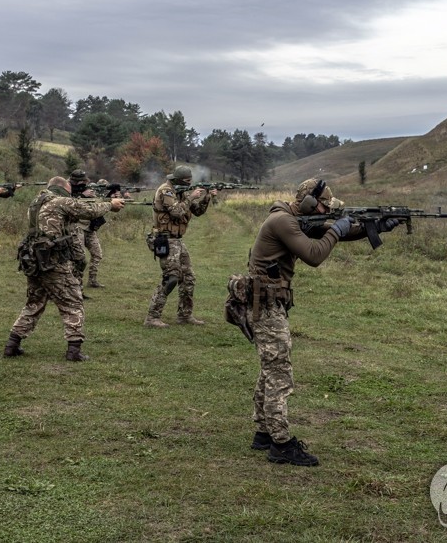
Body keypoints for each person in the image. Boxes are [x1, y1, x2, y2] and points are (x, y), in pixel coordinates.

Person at [245, 178, 399, 467]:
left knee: (271, 367)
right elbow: (315, 254)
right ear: (306, 202)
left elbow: (331, 231)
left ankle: (264, 432)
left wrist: (374, 228)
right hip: (265, 301)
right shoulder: (283, 222)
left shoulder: (292, 218)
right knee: (279, 369)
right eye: (321, 205)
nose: (324, 210)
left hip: (267, 299)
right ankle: (281, 444)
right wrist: (338, 229)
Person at [2, 176, 125, 361]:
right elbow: (88, 210)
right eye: (68, 189)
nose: (70, 192)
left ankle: (12, 345)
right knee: (73, 303)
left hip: (35, 260)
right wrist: (110, 204)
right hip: (53, 261)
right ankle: (74, 350)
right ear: (61, 188)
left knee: (34, 303)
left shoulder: (37, 202)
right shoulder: (59, 202)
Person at [145, 165, 216, 328]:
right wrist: (191, 197)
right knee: (171, 278)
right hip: (164, 238)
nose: (189, 184)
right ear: (178, 180)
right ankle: (152, 317)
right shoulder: (166, 191)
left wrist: (206, 197)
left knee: (188, 278)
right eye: (187, 182)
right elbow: (176, 212)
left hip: (177, 240)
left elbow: (197, 211)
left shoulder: (181, 192)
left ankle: (185, 315)